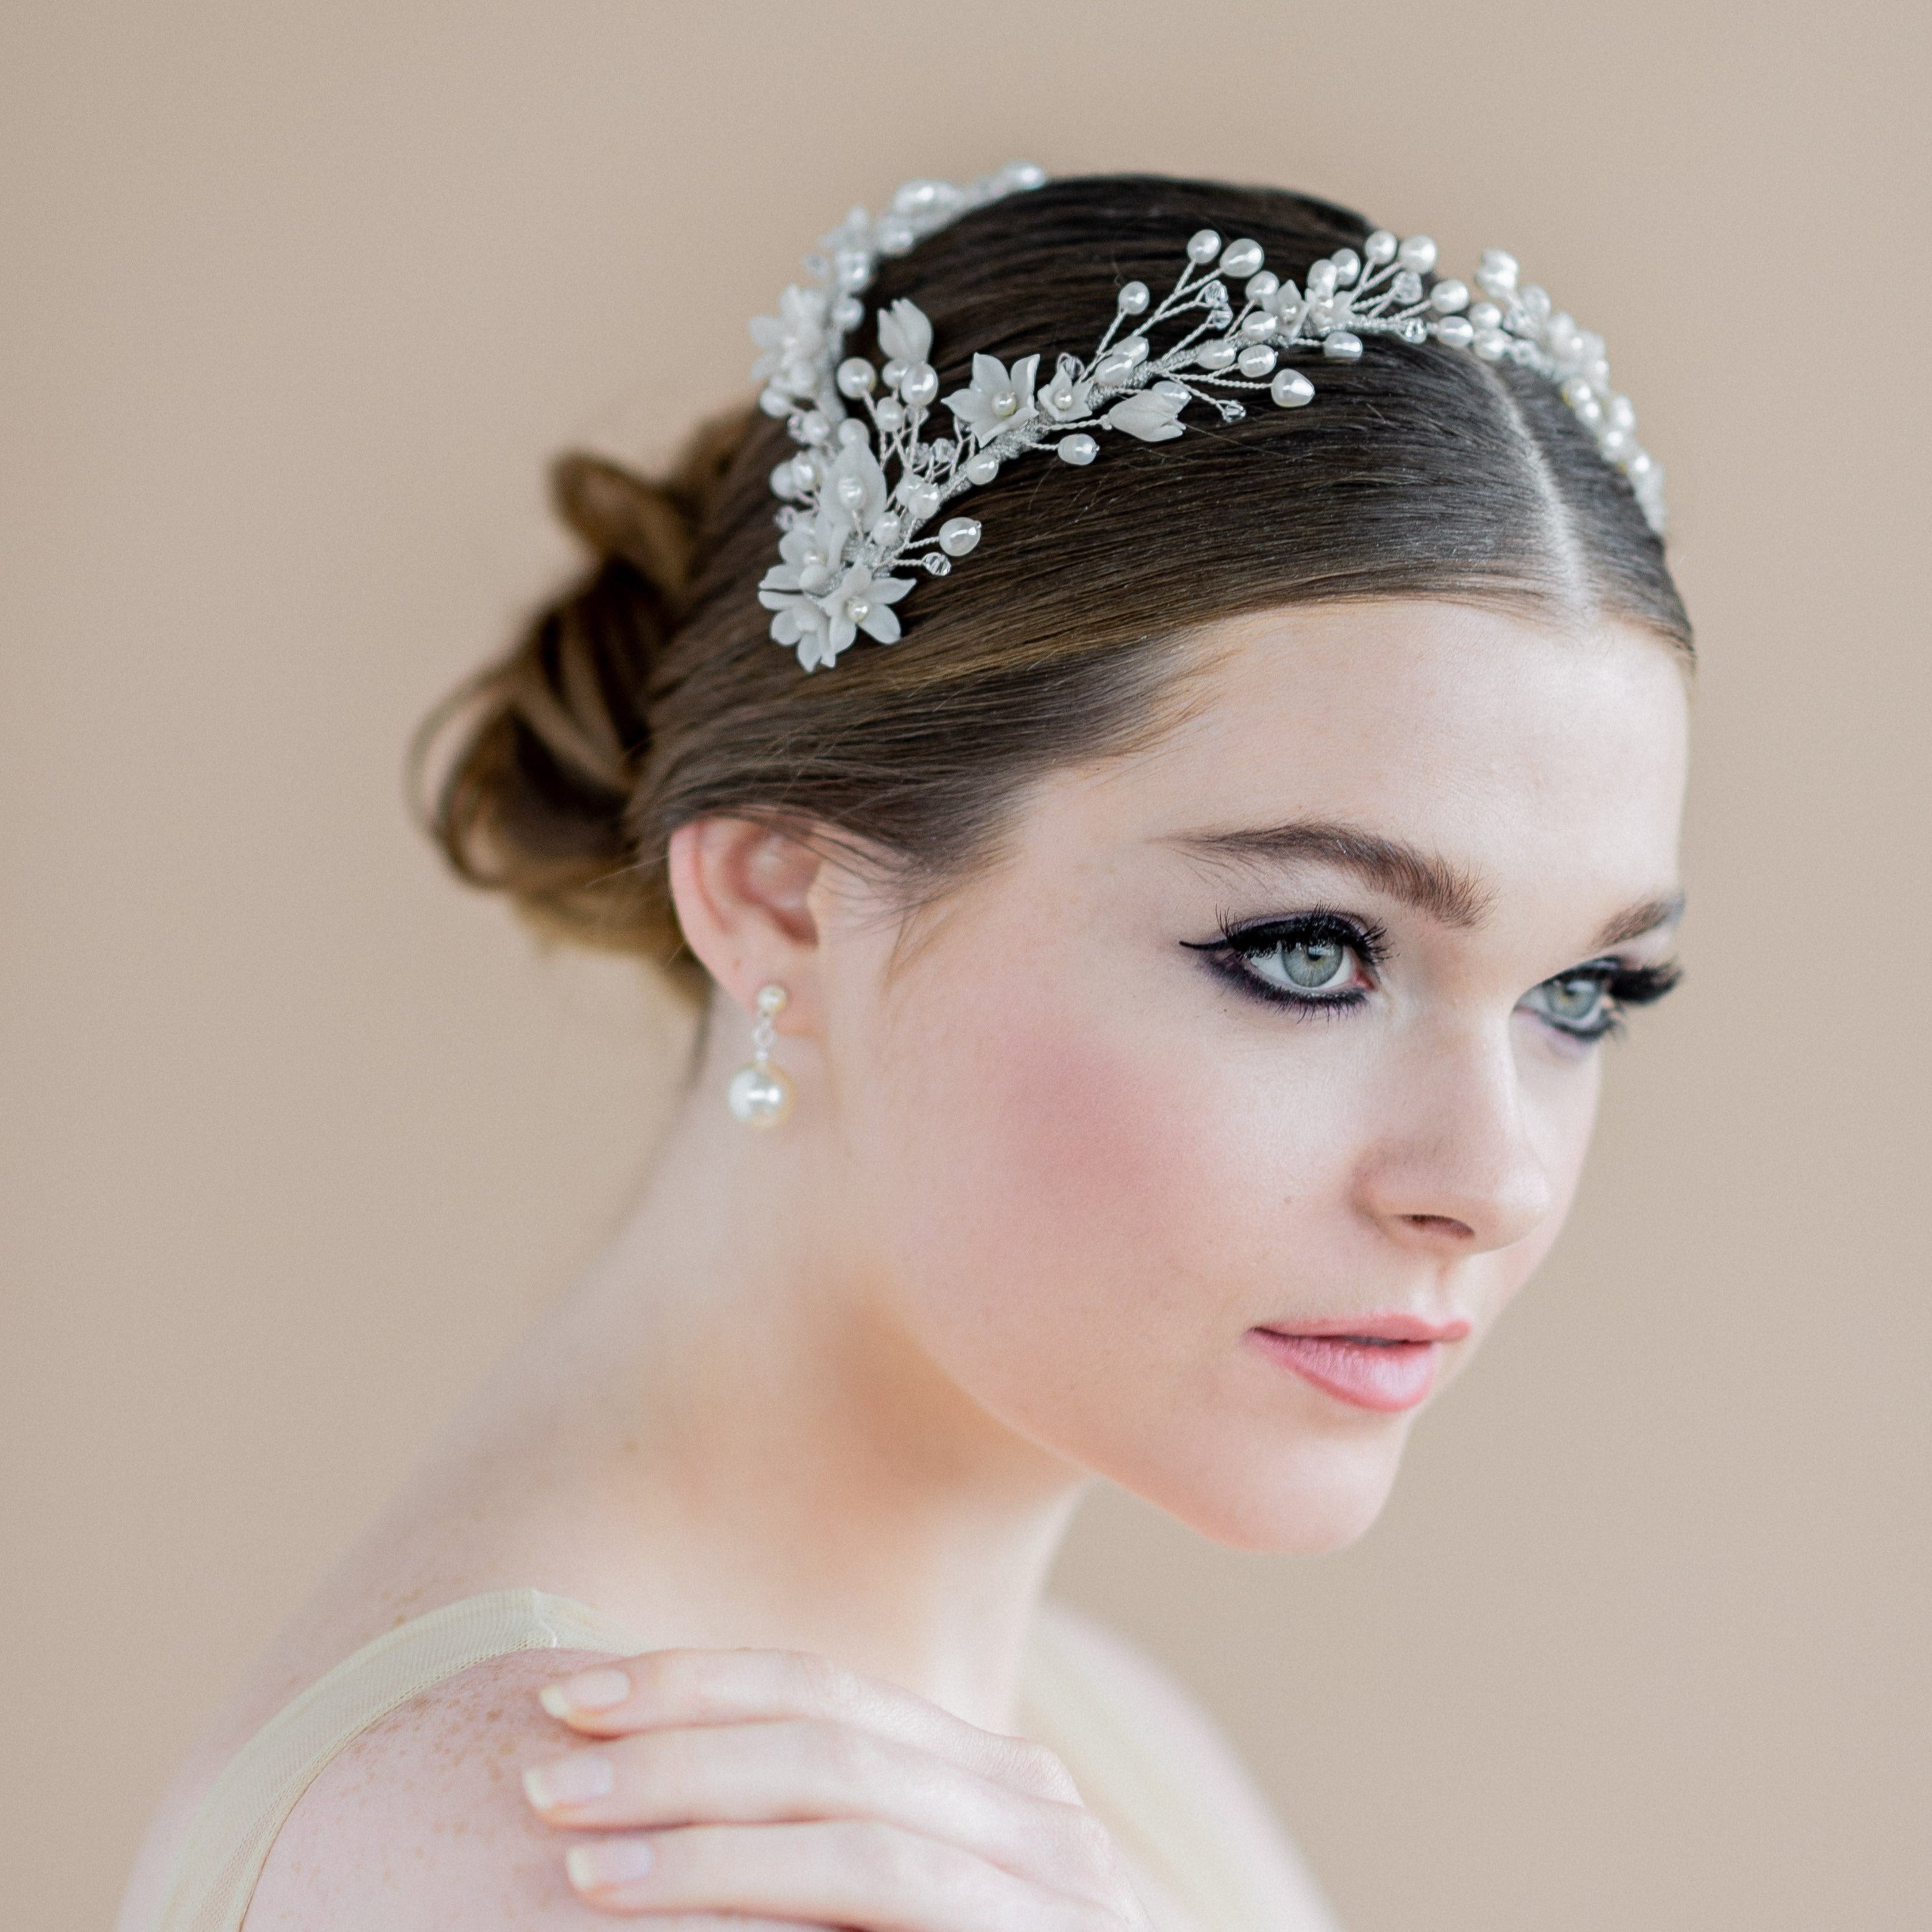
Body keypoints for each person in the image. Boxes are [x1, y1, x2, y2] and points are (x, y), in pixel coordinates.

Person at [117, 166, 1691, 1931]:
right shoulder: (600, 1838)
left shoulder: (1082, 1748)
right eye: (1309, 952)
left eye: (1581, 995)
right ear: (785, 899)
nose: (1491, 1180)